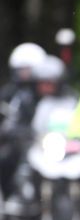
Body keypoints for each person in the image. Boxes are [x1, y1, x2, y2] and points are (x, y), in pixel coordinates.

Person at [0, 43, 47, 202]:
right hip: (16, 143)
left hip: (44, 142)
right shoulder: (9, 93)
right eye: (22, 69)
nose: (25, 74)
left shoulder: (47, 92)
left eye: (29, 69)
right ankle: (9, 197)